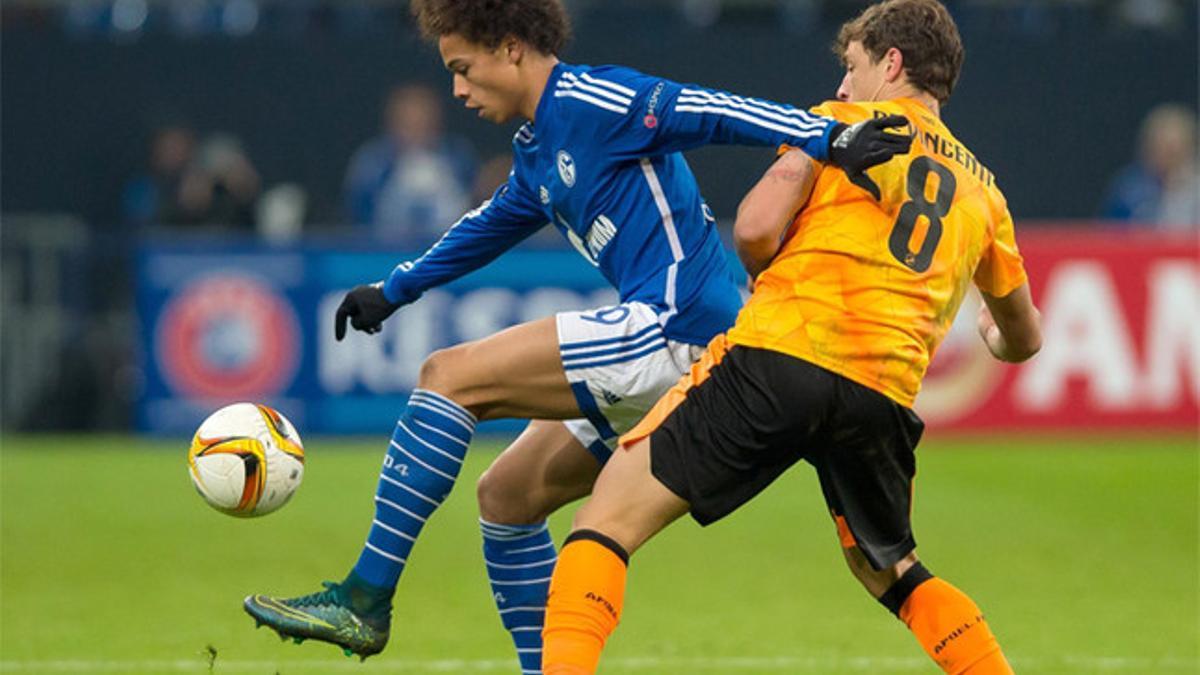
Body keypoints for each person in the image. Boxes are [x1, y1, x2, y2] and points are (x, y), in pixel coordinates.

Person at [243, 0, 911, 669]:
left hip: (678, 324)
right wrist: (393, 291)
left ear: (510, 48)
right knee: (506, 496)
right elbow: (486, 226)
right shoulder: (538, 150)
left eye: (464, 69)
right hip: (678, 349)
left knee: (447, 376)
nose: (458, 89)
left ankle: (364, 597)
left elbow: (709, 107)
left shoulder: (595, 98)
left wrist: (826, 138)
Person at [540, 1, 1042, 674]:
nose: (845, 83)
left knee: (604, 520)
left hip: (782, 355)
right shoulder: (986, 194)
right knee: (893, 571)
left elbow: (753, 227)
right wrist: (991, 334)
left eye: (854, 65)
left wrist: (768, 272)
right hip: (880, 399)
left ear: (891, 62)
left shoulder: (838, 126)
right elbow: (1022, 336)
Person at [344, 83, 478, 240]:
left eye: (423, 122)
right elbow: (357, 216)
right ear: (392, 122)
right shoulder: (372, 162)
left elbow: (476, 206)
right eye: (409, 123)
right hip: (384, 253)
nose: (417, 131)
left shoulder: (459, 156)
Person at [1101, 103, 1199, 229]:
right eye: (1160, 147)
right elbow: (1107, 234)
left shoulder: (1195, 190)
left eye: (1174, 152)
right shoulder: (1129, 190)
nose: (1166, 158)